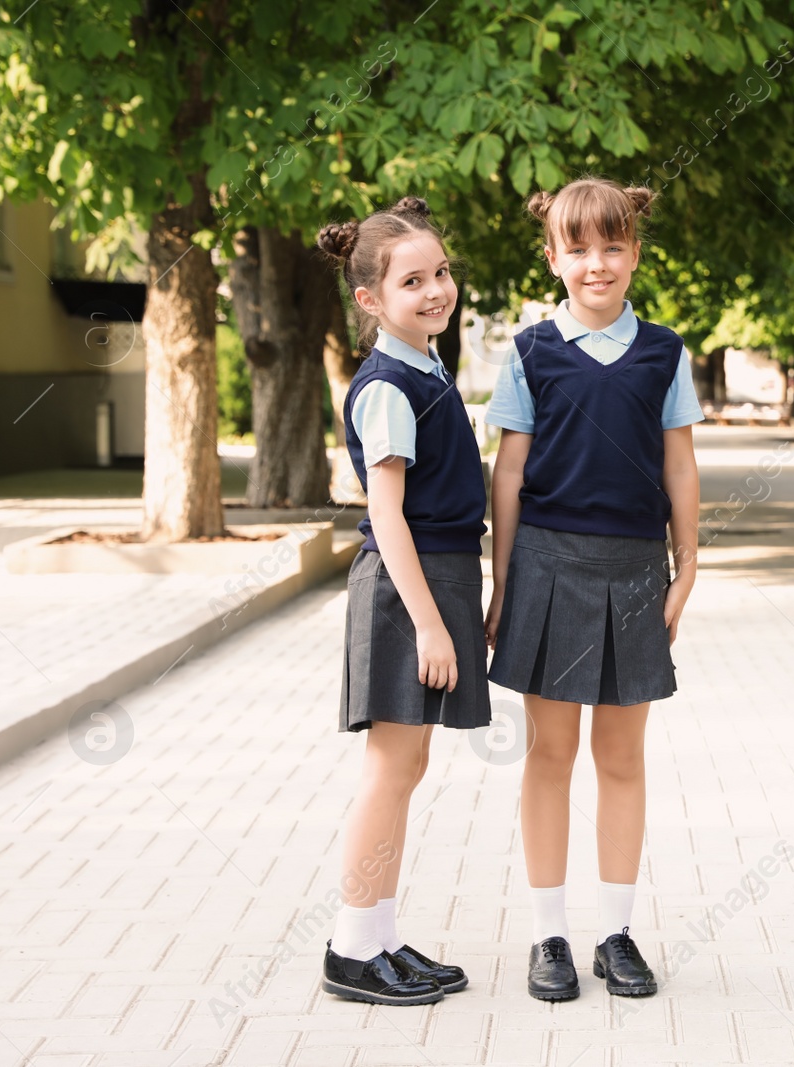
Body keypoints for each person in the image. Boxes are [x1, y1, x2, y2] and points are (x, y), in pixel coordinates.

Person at [485, 176, 703, 1001]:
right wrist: (501, 585)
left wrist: (690, 564)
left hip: (635, 569)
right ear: (553, 256)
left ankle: (615, 931)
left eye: (613, 246)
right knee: (550, 753)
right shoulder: (531, 352)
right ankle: (549, 934)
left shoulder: (665, 352)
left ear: (635, 253)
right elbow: (509, 473)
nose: (597, 264)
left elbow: (679, 461)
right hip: (545, 564)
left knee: (621, 757)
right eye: (579, 249)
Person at [316, 196, 491, 1006]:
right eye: (412, 280)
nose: (435, 290)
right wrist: (429, 623)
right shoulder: (387, 383)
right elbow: (385, 514)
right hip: (402, 590)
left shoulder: (425, 365)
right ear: (370, 301)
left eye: (441, 272)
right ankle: (352, 946)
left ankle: (382, 935)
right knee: (389, 768)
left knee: (409, 762)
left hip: (438, 578)